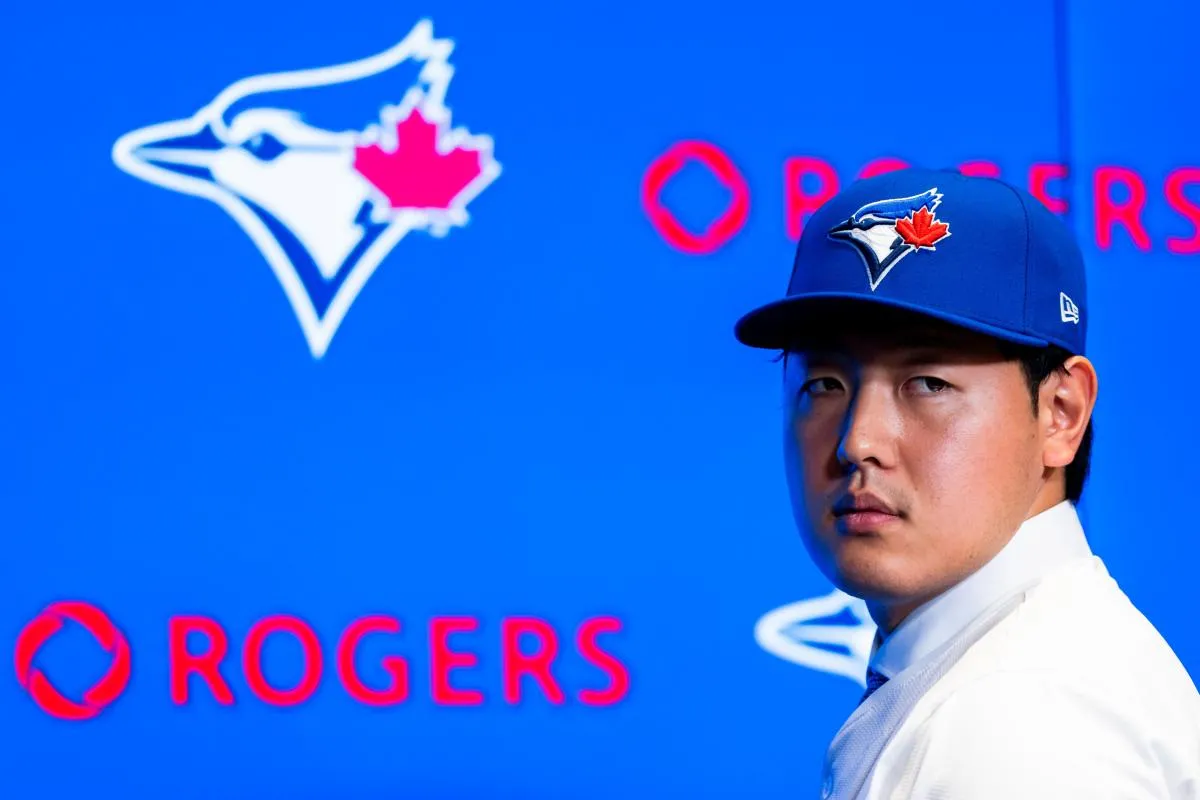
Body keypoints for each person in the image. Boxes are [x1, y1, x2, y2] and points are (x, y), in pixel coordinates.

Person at [734, 167, 1200, 799]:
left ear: (1060, 414)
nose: (857, 441)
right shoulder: (1003, 665)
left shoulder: (1019, 715)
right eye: (825, 385)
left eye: (928, 383)